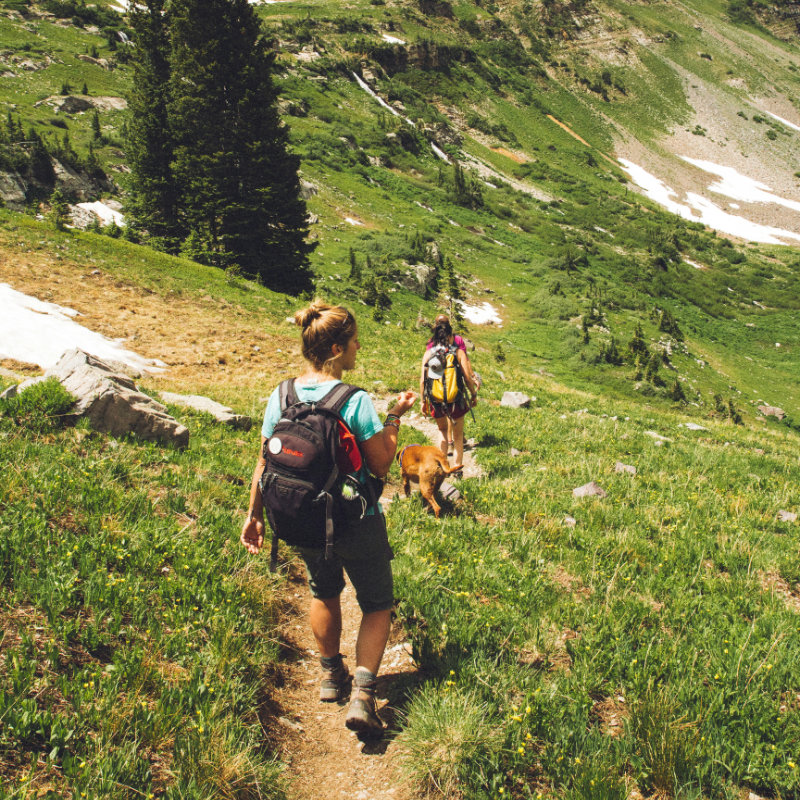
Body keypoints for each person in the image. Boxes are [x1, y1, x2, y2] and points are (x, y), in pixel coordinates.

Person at [241, 301, 416, 738]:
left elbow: (265, 460)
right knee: (377, 603)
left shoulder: (281, 395)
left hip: (301, 518)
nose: (359, 347)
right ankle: (362, 694)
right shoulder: (353, 400)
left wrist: (254, 515)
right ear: (337, 348)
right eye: (355, 340)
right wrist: (394, 417)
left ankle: (328, 675)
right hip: (356, 518)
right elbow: (379, 465)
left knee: (323, 590)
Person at [420, 316, 478, 471]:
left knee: (442, 431)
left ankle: (442, 467)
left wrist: (423, 401)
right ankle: (457, 468)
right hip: (456, 399)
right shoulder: (458, 352)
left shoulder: (428, 353)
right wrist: (473, 395)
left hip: (436, 399)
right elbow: (466, 377)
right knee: (458, 436)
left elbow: (422, 380)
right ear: (451, 335)